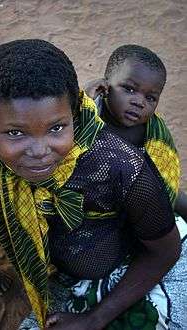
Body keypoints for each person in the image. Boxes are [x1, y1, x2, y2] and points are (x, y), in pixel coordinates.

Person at [0, 39, 181, 330]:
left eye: (57, 128)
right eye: (15, 132)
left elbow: (165, 251)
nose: (40, 151)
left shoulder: (118, 166)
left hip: (113, 271)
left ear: (76, 112)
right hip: (53, 272)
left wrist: (95, 318)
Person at [84, 44, 187, 328]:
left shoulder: (150, 132)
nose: (140, 102)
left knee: (176, 201)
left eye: (150, 97)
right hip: (101, 200)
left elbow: (163, 178)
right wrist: (89, 103)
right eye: (129, 89)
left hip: (141, 194)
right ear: (105, 88)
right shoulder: (89, 118)